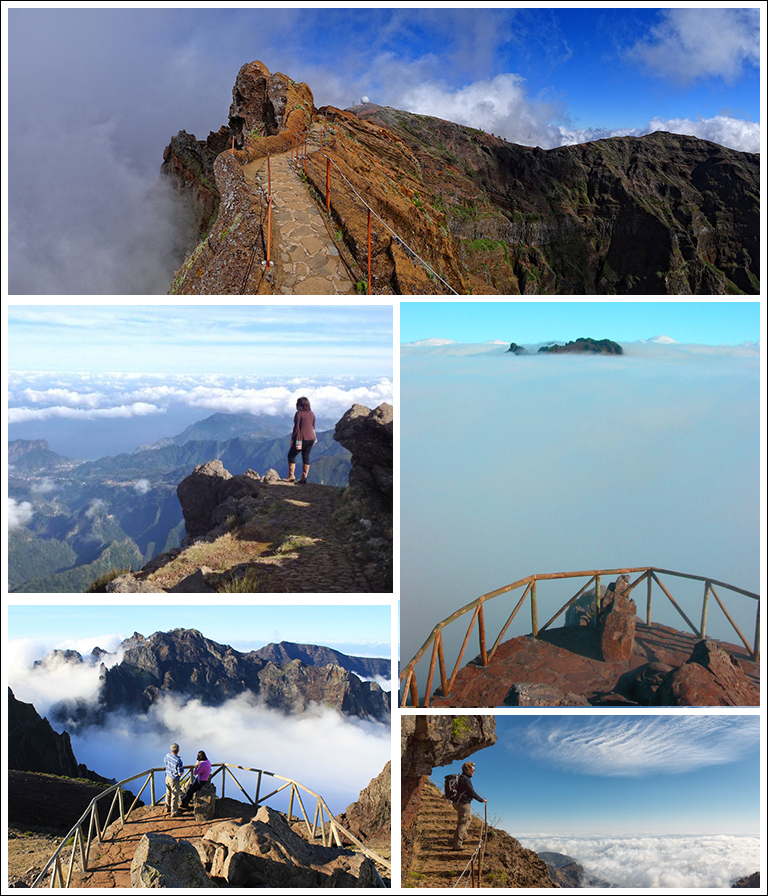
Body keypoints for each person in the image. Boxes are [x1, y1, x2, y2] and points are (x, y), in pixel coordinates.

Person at [451, 760, 486, 850]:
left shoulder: (461, 778)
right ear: (468, 770)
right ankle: (457, 845)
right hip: (463, 803)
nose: (474, 772)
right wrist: (481, 800)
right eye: (473, 770)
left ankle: (462, 835)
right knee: (462, 823)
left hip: (457, 802)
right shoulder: (466, 779)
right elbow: (471, 792)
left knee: (469, 819)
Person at [286, 396, 316, 485]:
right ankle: (304, 477)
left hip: (301, 438)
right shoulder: (312, 413)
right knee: (306, 456)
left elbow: (296, 428)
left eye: (297, 403)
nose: (296, 404)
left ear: (300, 405)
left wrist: (292, 439)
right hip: (311, 438)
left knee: (291, 455)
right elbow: (313, 426)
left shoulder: (299, 414)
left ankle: (291, 476)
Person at [164, 742, 184, 817]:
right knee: (174, 795)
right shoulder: (178, 761)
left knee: (168, 792)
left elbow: (165, 762)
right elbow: (180, 773)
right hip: (174, 779)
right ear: (178, 750)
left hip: (167, 776)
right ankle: (174, 811)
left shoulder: (167, 755)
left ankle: (167, 807)